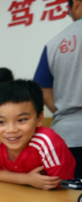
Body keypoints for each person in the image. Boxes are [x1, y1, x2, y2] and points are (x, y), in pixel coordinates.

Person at [0, 80, 75, 190]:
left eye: (22, 120)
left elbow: (61, 184)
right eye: (1, 122)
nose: (11, 130)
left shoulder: (47, 142)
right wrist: (27, 179)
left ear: (39, 119)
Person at [33, 0, 82, 178]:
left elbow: (42, 91)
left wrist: (64, 107)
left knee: (69, 201)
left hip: (67, 136)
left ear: (75, 3)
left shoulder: (54, 44)